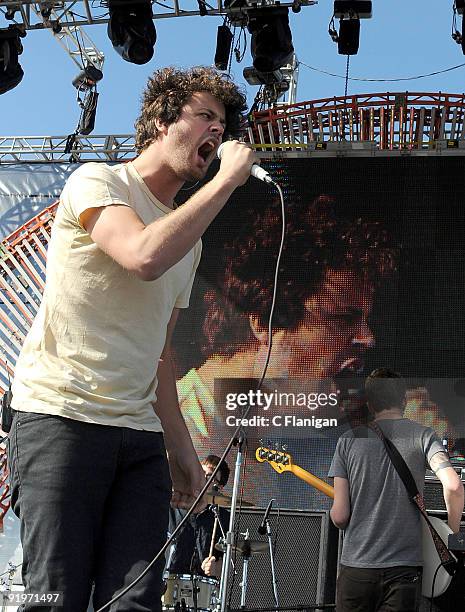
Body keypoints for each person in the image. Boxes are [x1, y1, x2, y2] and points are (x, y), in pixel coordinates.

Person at [8, 66, 257, 611]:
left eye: (223, 123)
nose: (217, 133)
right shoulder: (97, 182)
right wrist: (225, 182)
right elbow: (142, 255)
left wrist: (183, 451)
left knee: (136, 601)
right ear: (163, 120)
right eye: (205, 117)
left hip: (138, 435)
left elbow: (160, 355)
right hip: (62, 418)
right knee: (56, 599)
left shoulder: (187, 243)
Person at [176, 195, 397, 507]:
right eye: (342, 319)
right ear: (265, 322)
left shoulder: (273, 440)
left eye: (365, 320)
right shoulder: (179, 431)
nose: (368, 338)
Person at [328, 368, 464, 612]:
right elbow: (454, 486)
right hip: (404, 571)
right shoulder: (424, 435)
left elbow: (340, 517)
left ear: (369, 404)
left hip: (357, 568)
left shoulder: (348, 441)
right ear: (403, 400)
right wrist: (450, 536)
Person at [166, 454, 230, 580]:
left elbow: (229, 563)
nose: (202, 479)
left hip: (203, 589)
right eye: (201, 473)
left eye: (209, 476)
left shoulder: (222, 518)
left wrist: (217, 568)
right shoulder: (174, 506)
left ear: (219, 488)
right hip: (169, 583)